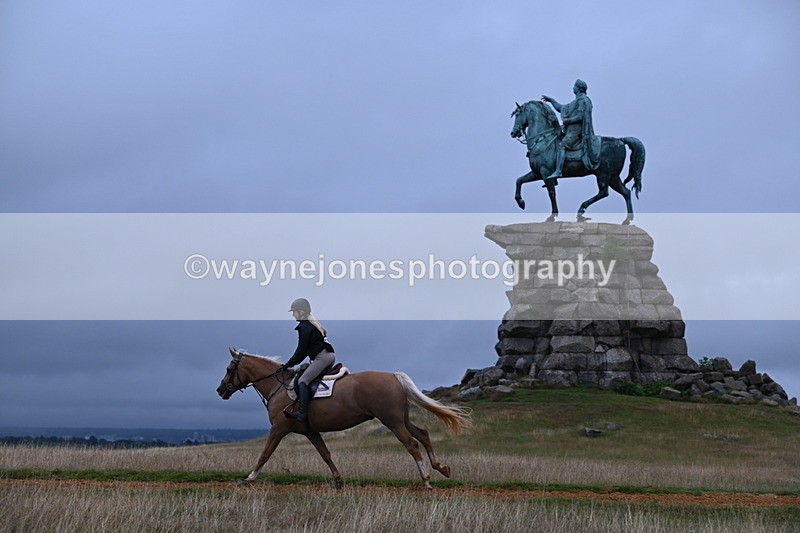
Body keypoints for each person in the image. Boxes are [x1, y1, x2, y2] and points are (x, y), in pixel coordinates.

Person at [280, 298, 335, 422]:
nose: (293, 315)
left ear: (302, 312)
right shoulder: (311, 324)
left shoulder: (305, 327)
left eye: (294, 312)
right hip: (328, 356)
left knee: (303, 381)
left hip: (322, 358)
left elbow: (301, 350)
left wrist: (289, 364)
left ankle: (302, 414)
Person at [541, 79, 600, 180]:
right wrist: (552, 101)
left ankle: (558, 171)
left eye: (574, 86)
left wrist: (568, 120)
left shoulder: (583, 100)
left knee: (561, 145)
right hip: (570, 131)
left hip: (577, 132)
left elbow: (581, 116)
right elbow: (561, 108)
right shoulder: (575, 102)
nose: (573, 88)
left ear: (578, 88)